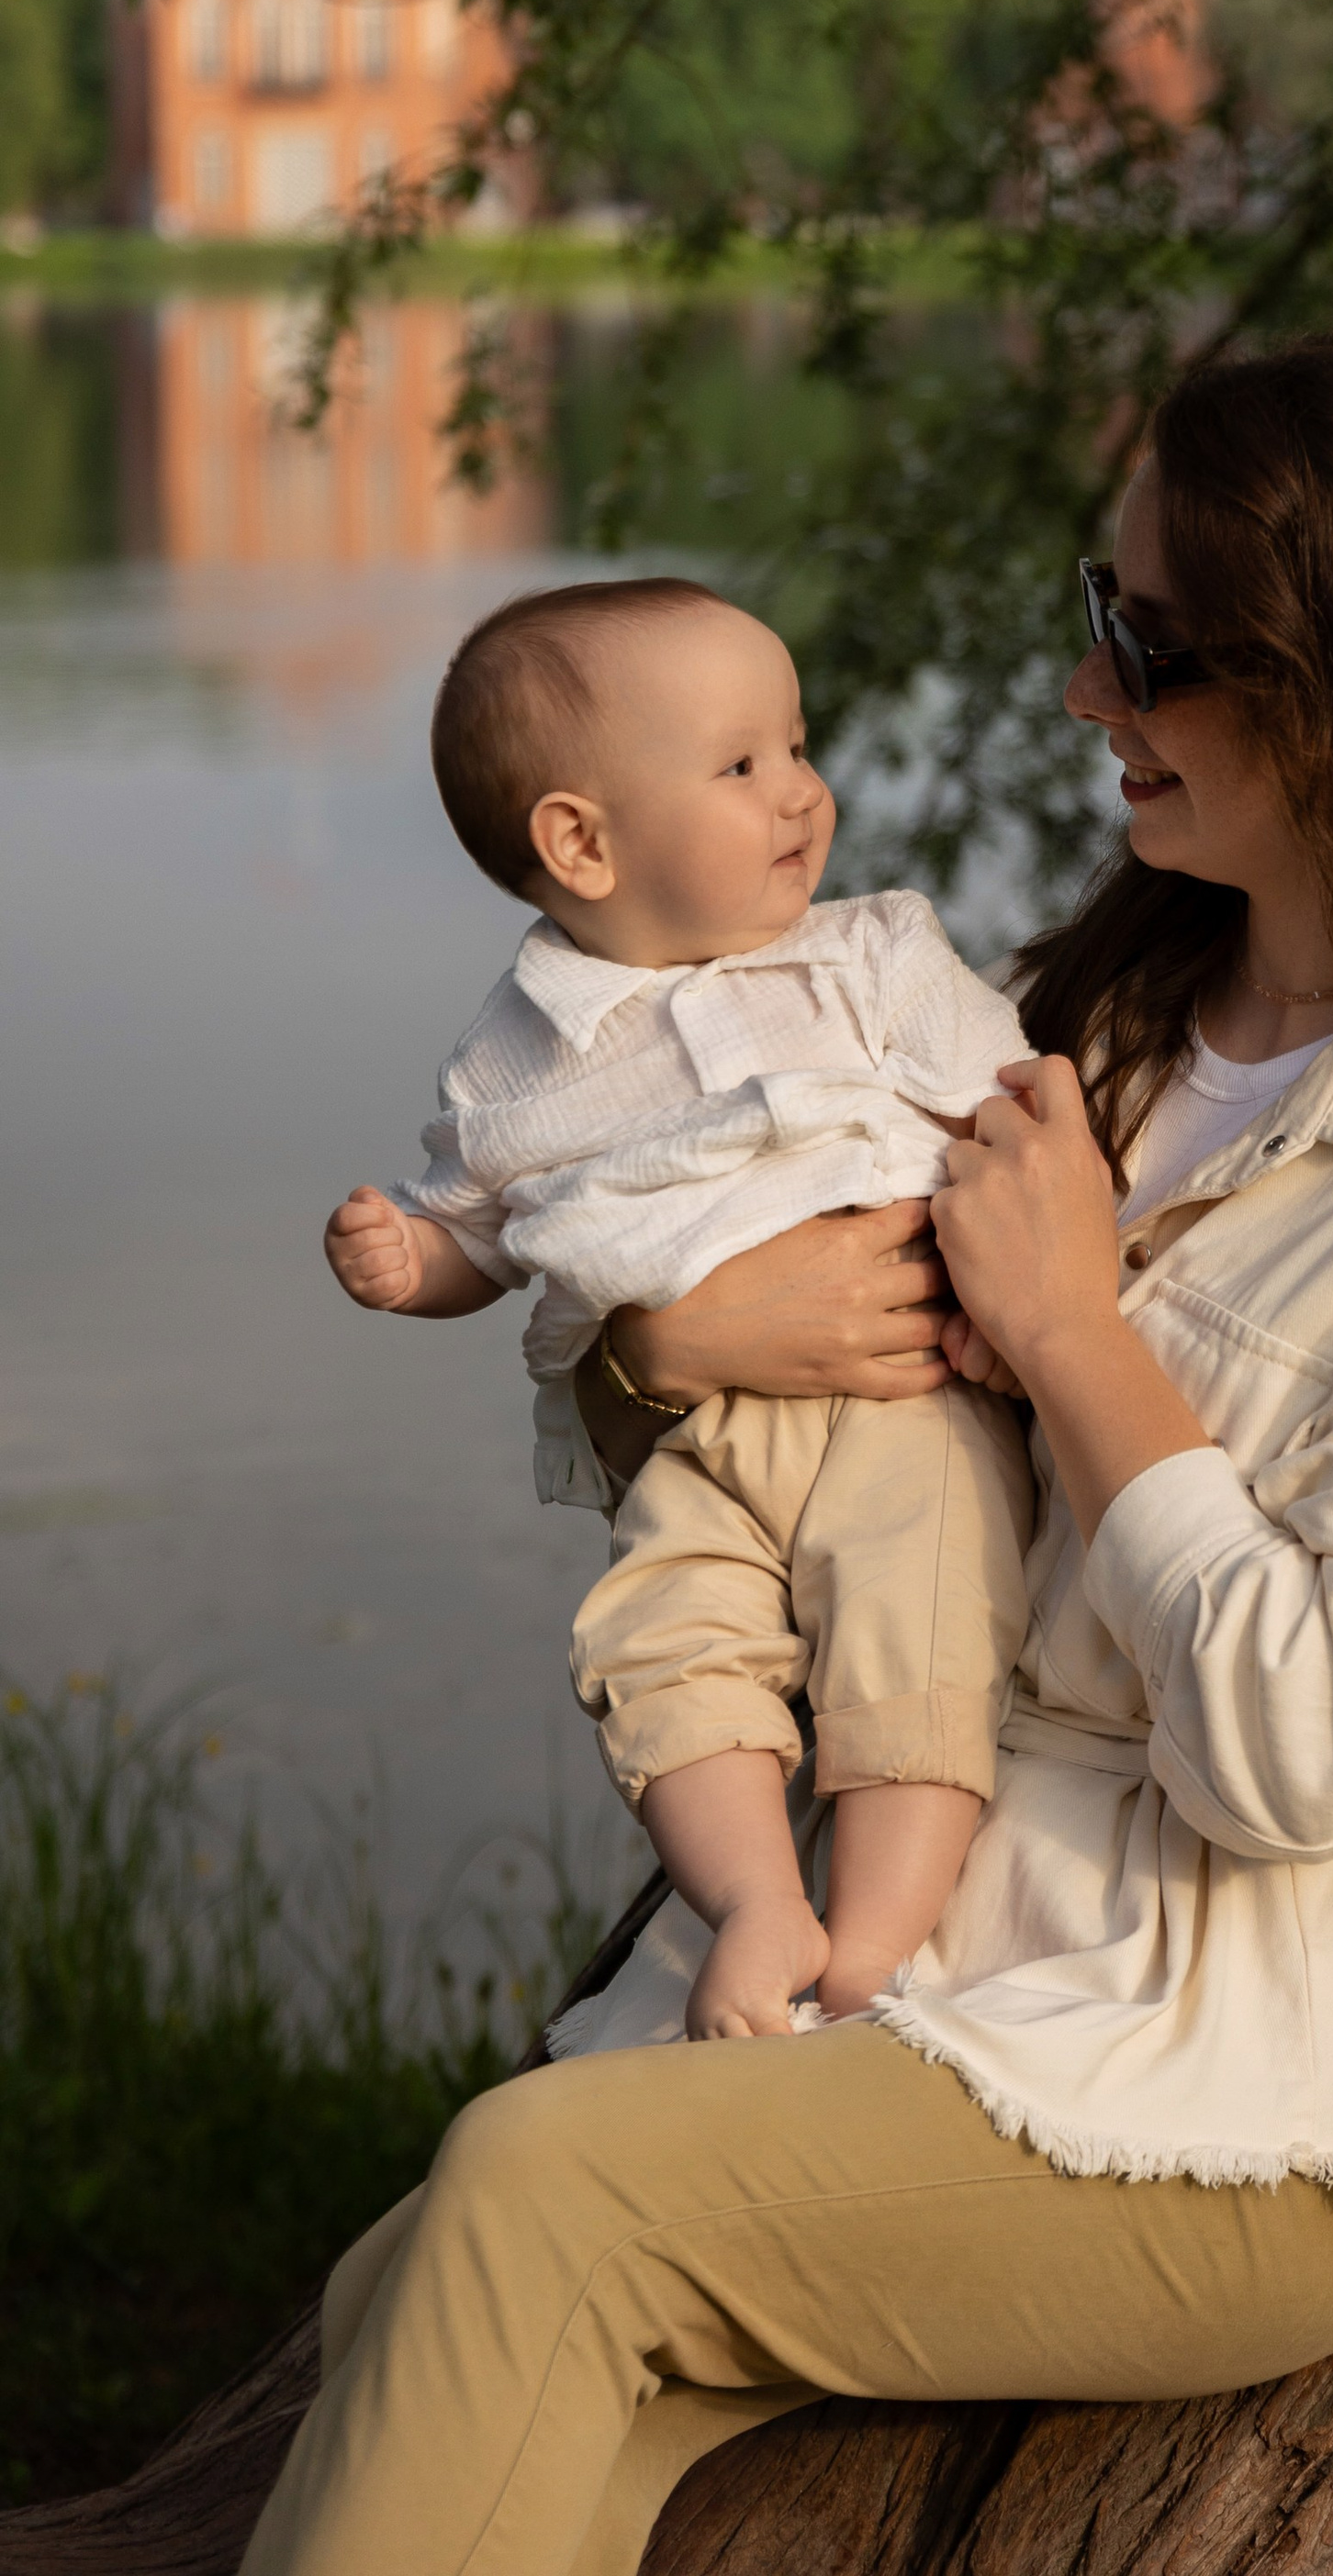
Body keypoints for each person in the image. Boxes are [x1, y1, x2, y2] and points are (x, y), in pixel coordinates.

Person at [245, 329, 1333, 2576]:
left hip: (1251, 2041)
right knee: (423, 2294)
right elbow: (733, 1348)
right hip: (962, 1932)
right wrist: (663, 1336)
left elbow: (1316, 1745)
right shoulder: (1100, 1024)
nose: (1083, 694)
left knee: (536, 2207)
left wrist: (1072, 1334)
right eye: (1099, 608)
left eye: (1146, 646)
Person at [319, 576, 1034, 2032]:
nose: (804, 793)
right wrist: (413, 1266)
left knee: (923, 1630)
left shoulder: (873, 954)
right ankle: (759, 1899)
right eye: (742, 764)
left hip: (904, 1407)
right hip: (698, 1440)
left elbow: (1015, 1111)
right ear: (581, 840)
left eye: (797, 743)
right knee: (659, 1641)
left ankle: (874, 1947)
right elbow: (487, 1224)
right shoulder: (519, 1056)